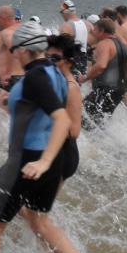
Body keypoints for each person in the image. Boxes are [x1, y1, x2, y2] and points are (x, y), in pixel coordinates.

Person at [0, 21, 98, 253]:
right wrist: (13, 101)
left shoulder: (36, 77)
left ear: (23, 49)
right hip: (51, 161)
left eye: (14, 49)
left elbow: (62, 120)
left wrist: (43, 161)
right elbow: (41, 107)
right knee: (39, 222)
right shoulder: (56, 73)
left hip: (26, 161)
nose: (13, 54)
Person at [78, 18, 127, 128]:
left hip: (105, 89)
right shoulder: (123, 46)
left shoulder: (104, 44)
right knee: (100, 121)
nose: (93, 32)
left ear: (102, 30)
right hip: (119, 91)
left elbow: (101, 65)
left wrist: (85, 78)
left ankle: (89, 139)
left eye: (95, 30)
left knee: (82, 116)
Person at [46, 34, 82, 181]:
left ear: (69, 62)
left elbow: (74, 131)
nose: (49, 62)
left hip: (62, 154)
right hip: (49, 150)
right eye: (46, 57)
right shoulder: (52, 80)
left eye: (55, 59)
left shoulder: (71, 87)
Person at [0, 6, 24, 110]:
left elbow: (16, 50)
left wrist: (7, 73)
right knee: (10, 116)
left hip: (9, 81)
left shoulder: (7, 33)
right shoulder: (22, 31)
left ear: (3, 18)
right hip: (19, 78)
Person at [58, 0, 89, 76]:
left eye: (61, 12)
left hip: (72, 60)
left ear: (65, 12)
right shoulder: (87, 24)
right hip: (84, 59)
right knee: (82, 80)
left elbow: (61, 48)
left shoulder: (65, 26)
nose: (61, 15)